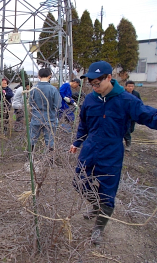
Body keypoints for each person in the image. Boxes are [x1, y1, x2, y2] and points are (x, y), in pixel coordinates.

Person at [70, 60, 157, 245]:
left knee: (107, 191)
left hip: (112, 150)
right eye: (91, 83)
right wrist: (77, 142)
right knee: (79, 180)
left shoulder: (126, 100)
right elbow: (84, 124)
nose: (94, 87)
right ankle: (95, 205)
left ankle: (98, 229)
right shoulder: (91, 100)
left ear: (109, 78)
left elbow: (148, 115)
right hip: (91, 147)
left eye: (97, 83)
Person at [29, 68, 61, 152]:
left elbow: (30, 103)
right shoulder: (53, 89)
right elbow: (58, 105)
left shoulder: (33, 89)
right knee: (50, 140)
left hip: (36, 118)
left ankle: (30, 157)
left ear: (38, 76)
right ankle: (50, 160)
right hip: (50, 119)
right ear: (50, 76)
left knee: (32, 138)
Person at [123, 80, 141, 151]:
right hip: (125, 115)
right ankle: (128, 143)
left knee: (131, 129)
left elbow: (140, 104)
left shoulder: (136, 94)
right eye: (129, 86)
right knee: (126, 130)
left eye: (132, 86)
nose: (130, 88)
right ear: (126, 86)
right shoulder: (122, 94)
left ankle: (127, 139)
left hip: (133, 114)